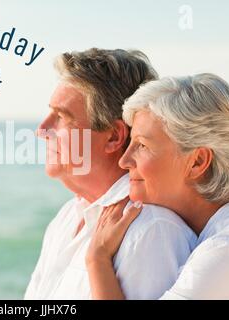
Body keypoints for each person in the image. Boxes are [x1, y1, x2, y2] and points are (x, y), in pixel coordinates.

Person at [24, 48, 196, 300]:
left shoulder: (152, 230)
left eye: (61, 117)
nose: (42, 130)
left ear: (114, 137)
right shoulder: (66, 218)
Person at [87, 73, 229, 299]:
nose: (124, 161)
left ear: (197, 162)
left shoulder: (228, 249)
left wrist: (98, 259)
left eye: (142, 145)